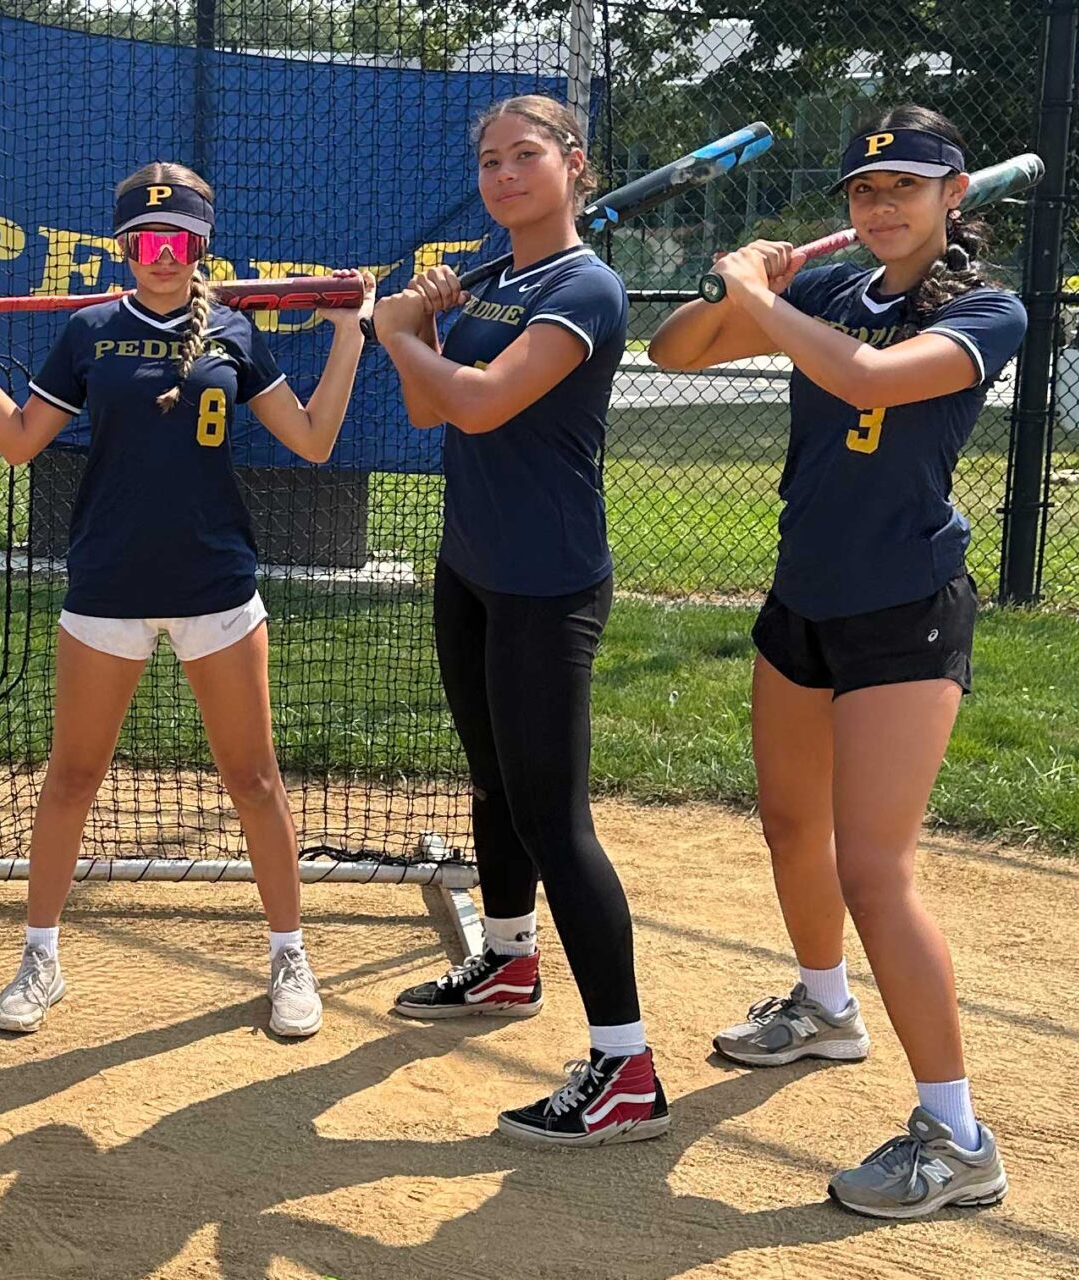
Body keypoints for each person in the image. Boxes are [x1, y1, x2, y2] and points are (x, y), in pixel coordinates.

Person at [647, 104, 1027, 1217]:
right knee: (785, 823)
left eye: (905, 187)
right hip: (802, 598)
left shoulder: (986, 309)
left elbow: (868, 380)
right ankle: (824, 1007)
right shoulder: (823, 292)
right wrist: (734, 290)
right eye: (864, 191)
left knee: (874, 867)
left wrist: (764, 300)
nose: (880, 206)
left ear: (954, 196)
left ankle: (958, 1138)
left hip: (902, 611)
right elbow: (672, 351)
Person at [0, 162, 370, 1040]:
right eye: (146, 242)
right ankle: (40, 954)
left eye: (180, 241)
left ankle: (289, 954)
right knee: (72, 777)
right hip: (108, 582)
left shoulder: (237, 334)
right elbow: (17, 442)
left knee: (252, 777)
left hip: (214, 583)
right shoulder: (89, 331)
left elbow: (314, 442)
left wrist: (350, 335)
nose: (163, 256)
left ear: (202, 246)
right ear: (124, 249)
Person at [367, 94, 669, 1149]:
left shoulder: (583, 285)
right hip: (474, 565)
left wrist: (401, 333)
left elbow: (486, 401)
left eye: (524, 156)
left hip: (547, 583)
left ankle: (625, 1064)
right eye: (489, 160)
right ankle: (506, 957)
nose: (502, 175)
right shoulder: (495, 278)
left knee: (555, 819)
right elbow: (426, 406)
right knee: (491, 778)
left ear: (573, 165)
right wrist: (424, 330)